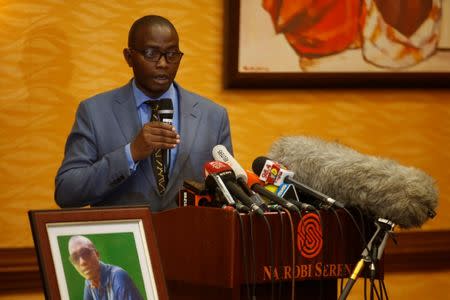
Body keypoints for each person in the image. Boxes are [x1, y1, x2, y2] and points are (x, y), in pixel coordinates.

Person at [55, 15, 233, 211]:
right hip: (124, 239)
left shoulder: (213, 116)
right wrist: (129, 154)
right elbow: (67, 191)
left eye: (172, 54)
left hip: (191, 239)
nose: (163, 63)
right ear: (129, 57)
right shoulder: (94, 112)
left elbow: (227, 193)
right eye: (151, 53)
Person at [68, 235, 143, 300]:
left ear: (97, 255)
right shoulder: (89, 282)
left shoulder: (118, 276)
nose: (82, 262)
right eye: (75, 258)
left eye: (85, 253)